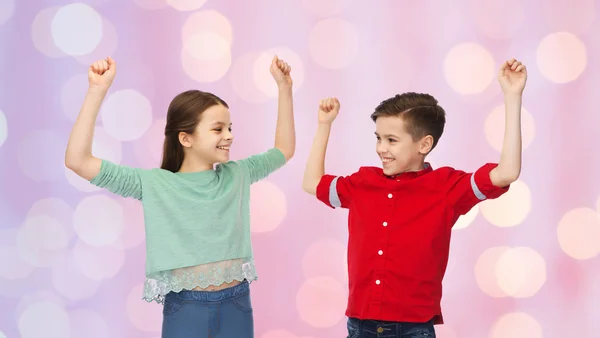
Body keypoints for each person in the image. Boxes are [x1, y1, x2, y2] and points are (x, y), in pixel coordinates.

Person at [65, 55, 296, 338]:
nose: (229, 136)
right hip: (185, 309)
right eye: (218, 129)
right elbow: (77, 160)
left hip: (237, 304)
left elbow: (284, 149)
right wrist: (96, 91)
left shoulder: (238, 174)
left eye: (230, 128)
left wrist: (285, 89)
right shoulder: (152, 183)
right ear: (186, 138)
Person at [302, 58, 527, 338]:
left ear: (424, 144)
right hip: (360, 326)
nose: (381, 148)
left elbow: (506, 173)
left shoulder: (446, 187)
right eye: (378, 138)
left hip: (413, 329)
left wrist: (512, 96)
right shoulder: (362, 183)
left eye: (392, 140)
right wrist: (324, 125)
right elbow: (311, 183)